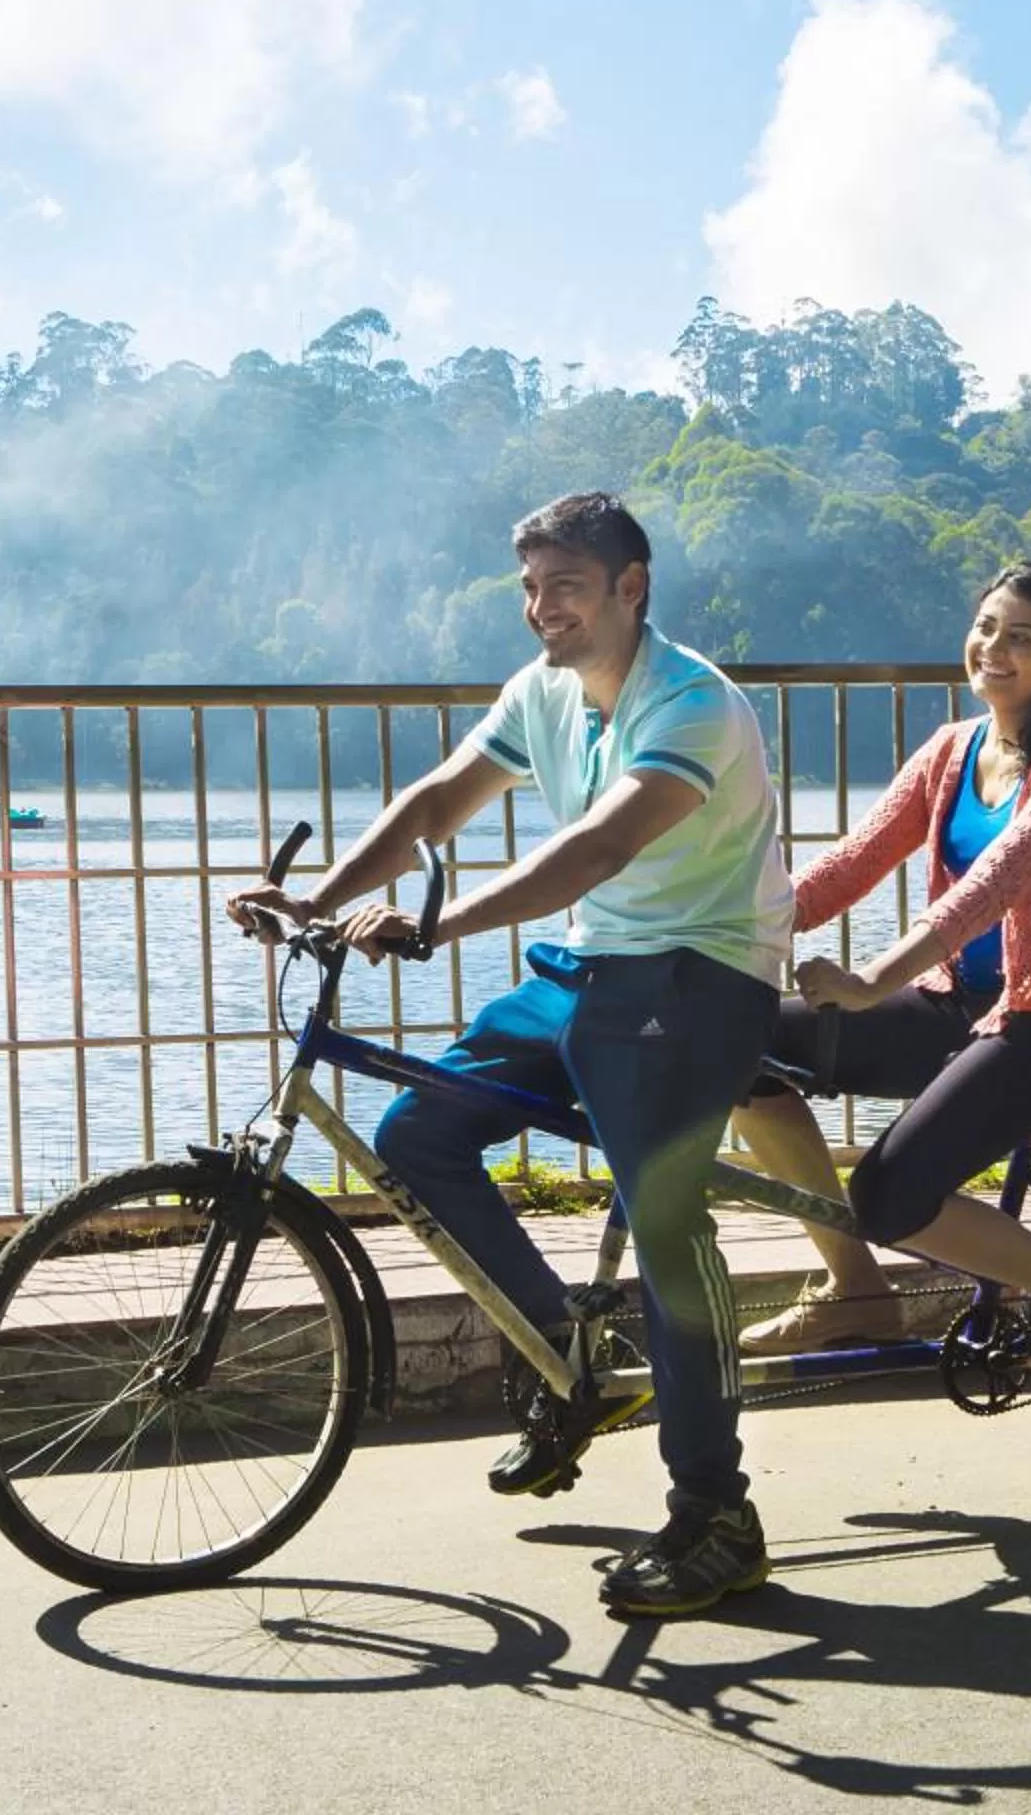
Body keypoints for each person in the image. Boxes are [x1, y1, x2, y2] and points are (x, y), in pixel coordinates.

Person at [226, 491, 793, 1617]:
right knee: (418, 1132)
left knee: (670, 1229)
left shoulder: (693, 703)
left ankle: (717, 1512)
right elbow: (441, 799)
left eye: (566, 587)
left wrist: (437, 926)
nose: (542, 610)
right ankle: (568, 1362)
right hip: (591, 970)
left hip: (701, 975)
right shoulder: (543, 692)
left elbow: (598, 846)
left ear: (631, 587)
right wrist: (321, 900)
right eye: (530, 588)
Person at [727, 562, 1031, 1429]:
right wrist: (718, 932)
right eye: (987, 626)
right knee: (736, 1047)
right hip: (956, 1008)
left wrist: (866, 982)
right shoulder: (956, 749)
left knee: (891, 1194)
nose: (994, 649)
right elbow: (846, 865)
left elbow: (990, 889)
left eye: (1023, 639)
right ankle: (856, 1290)